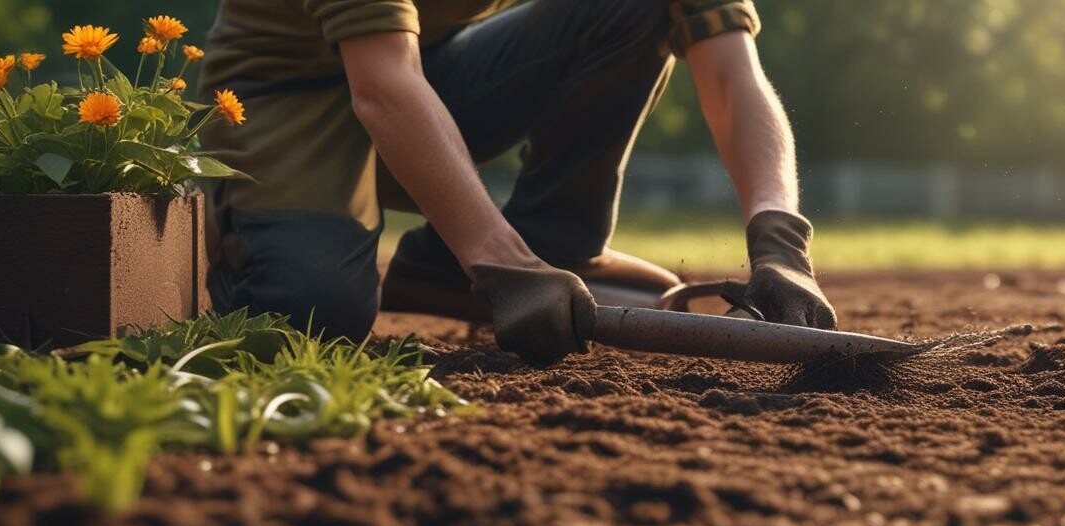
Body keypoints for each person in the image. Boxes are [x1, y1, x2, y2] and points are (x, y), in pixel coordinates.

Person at [200, 0, 837, 364]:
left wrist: (779, 239)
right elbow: (380, 89)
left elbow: (731, 71)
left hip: (426, 67)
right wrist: (502, 267)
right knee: (309, 317)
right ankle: (496, 262)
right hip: (281, 97)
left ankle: (534, 248)